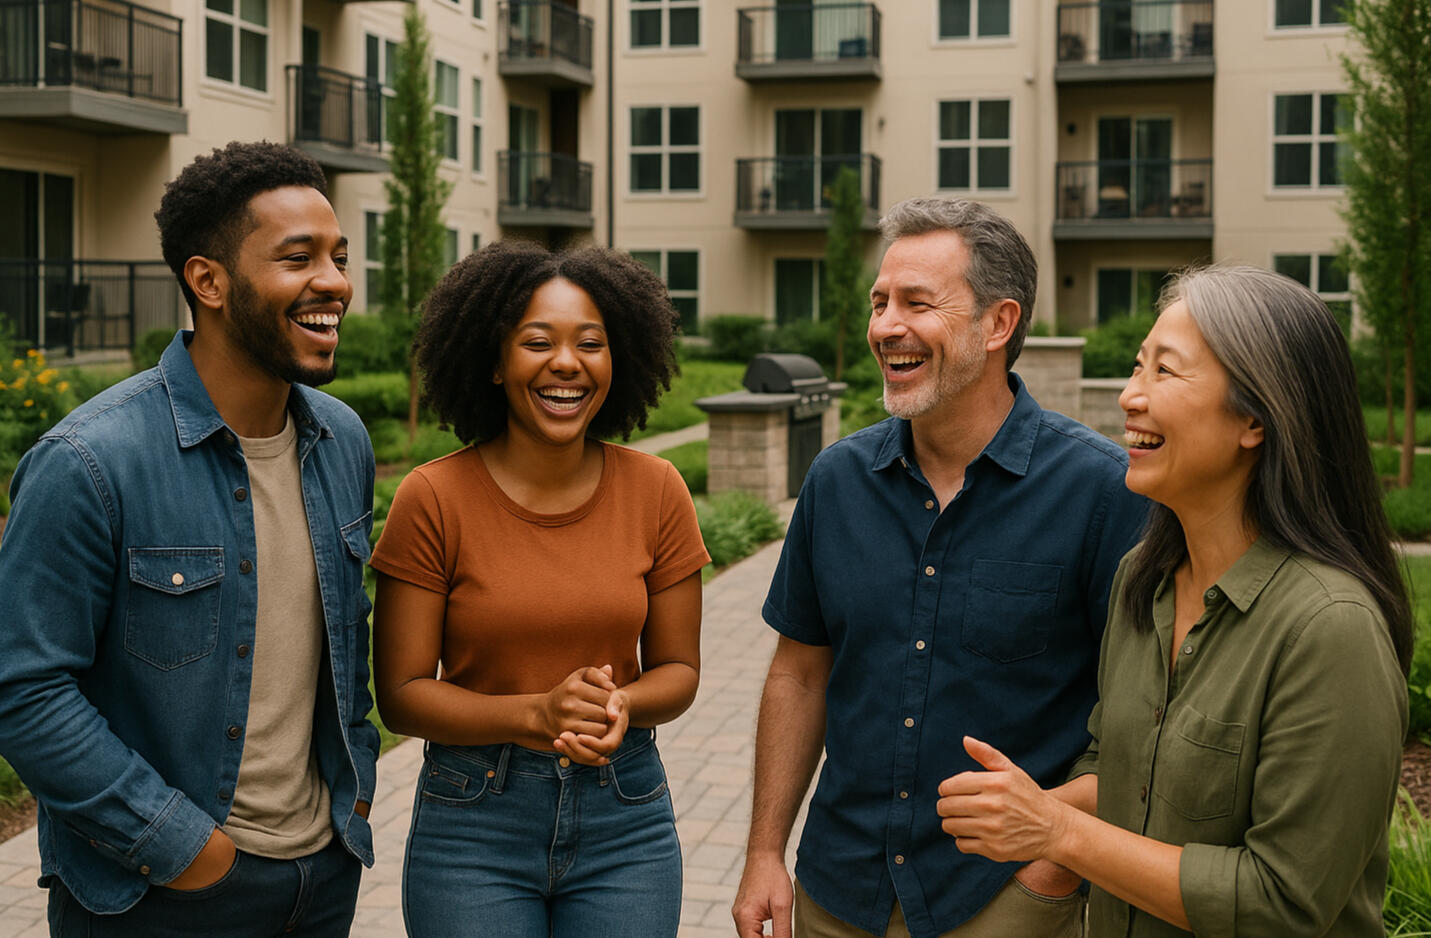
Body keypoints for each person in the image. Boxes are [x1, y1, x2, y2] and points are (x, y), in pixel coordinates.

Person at [936, 265, 1412, 937]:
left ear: (1253, 417)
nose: (1130, 396)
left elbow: (1282, 901)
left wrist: (1057, 832)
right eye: (1136, 368)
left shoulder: (1329, 628)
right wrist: (1021, 808)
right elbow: (1120, 767)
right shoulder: (1142, 580)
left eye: (1165, 372)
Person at [732, 197, 1148, 938]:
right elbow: (798, 672)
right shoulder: (834, 481)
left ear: (998, 323)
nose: (885, 325)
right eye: (879, 302)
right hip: (837, 889)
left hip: (998, 899)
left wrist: (1051, 855)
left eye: (917, 303)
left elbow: (1141, 714)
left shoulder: (1100, 492)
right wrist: (765, 851)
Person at [0, 141, 380, 936]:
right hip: (162, 897)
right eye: (298, 257)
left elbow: (343, 644)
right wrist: (183, 849)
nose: (335, 283)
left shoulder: (341, 441)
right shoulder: (90, 462)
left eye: (339, 257)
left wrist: (360, 785)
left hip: (323, 878)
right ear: (207, 281)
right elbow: (24, 689)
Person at [371, 240, 709, 938]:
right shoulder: (432, 497)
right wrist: (535, 715)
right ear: (493, 362)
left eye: (591, 343)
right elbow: (401, 695)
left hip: (626, 819)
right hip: (473, 828)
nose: (566, 364)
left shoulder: (656, 490)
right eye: (536, 342)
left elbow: (678, 671)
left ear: (617, 361)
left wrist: (619, 704)